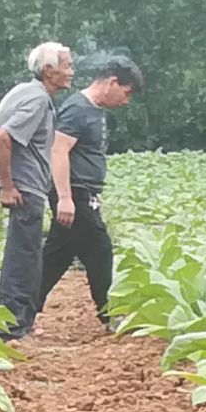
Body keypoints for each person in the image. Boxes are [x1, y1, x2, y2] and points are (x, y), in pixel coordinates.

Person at [37, 56, 145, 330]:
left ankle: (20, 310)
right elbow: (58, 150)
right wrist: (64, 198)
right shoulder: (78, 109)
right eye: (126, 92)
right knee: (100, 249)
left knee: (56, 256)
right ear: (112, 82)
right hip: (74, 191)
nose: (125, 100)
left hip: (83, 193)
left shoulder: (93, 110)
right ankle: (109, 315)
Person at [0, 42, 73, 339]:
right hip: (25, 189)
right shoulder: (36, 99)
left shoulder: (25, 93)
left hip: (27, 187)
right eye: (67, 66)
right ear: (48, 71)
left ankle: (20, 322)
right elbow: (1, 138)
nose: (71, 72)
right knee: (23, 258)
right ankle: (11, 326)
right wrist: (7, 186)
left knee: (27, 256)